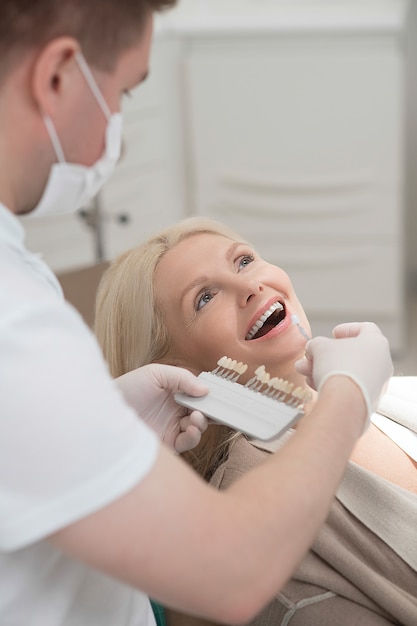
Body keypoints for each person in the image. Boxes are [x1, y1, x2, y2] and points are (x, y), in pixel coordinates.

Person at [0, 1, 394, 624]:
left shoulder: (17, 282)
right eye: (122, 91)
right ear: (56, 77)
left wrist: (99, 418)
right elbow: (231, 572)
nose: (118, 136)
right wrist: (349, 395)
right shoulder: (14, 327)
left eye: (244, 260)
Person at [95, 216, 417, 625]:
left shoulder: (393, 396)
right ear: (175, 370)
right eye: (204, 298)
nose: (249, 287)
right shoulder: (250, 518)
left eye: (244, 261)